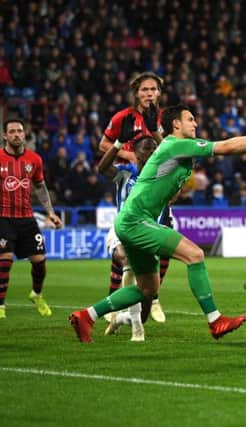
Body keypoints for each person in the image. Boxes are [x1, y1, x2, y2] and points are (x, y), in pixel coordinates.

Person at [69, 104, 246, 343]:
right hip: (136, 220)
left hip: (131, 221)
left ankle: (87, 316)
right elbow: (225, 147)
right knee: (195, 254)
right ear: (176, 124)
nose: (195, 124)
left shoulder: (173, 149)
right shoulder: (176, 145)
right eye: (190, 119)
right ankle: (215, 320)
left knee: (148, 289)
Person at [99, 71, 170, 323]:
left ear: (159, 93)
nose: (149, 94)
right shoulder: (123, 117)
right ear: (136, 93)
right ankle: (114, 299)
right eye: (144, 90)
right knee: (124, 246)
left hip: (158, 183)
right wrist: (129, 156)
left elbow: (175, 150)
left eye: (153, 90)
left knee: (164, 247)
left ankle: (155, 298)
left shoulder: (166, 118)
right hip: (130, 179)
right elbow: (102, 146)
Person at [98, 114, 158, 341]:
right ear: (136, 152)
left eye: (154, 149)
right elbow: (102, 168)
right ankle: (137, 332)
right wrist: (117, 144)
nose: (150, 152)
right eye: (146, 149)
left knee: (145, 303)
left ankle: (122, 319)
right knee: (127, 259)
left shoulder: (160, 177)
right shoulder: (126, 173)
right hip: (122, 229)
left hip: (148, 231)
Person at [0, 118, 63, 319]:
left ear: (24, 134)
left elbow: (40, 187)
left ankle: (36, 294)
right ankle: (0, 305)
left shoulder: (34, 160)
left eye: (19, 131)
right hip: (3, 218)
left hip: (27, 219)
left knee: (39, 260)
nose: (17, 134)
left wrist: (50, 212)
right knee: (5, 260)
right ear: (5, 136)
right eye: (12, 132)